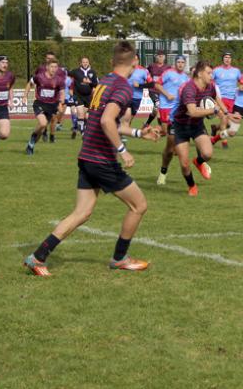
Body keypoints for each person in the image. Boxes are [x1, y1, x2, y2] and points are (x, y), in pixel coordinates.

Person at [23, 41, 163, 277]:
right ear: (135, 62)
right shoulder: (123, 87)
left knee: (82, 212)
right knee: (139, 205)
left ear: (112, 62)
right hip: (102, 159)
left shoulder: (104, 82)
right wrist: (123, 150)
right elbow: (107, 122)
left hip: (87, 155)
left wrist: (139, 133)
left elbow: (107, 120)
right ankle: (120, 258)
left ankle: (37, 257)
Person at [168, 60, 230, 196]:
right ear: (200, 74)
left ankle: (198, 161)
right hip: (180, 126)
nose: (211, 76)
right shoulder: (188, 88)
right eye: (209, 73)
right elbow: (192, 111)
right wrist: (213, 111)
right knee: (184, 163)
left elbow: (215, 99)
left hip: (196, 125)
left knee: (207, 154)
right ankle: (192, 186)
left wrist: (225, 114)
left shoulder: (210, 86)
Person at [24, 58, 66, 155]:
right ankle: (32, 140)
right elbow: (29, 84)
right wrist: (25, 96)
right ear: (47, 67)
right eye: (51, 67)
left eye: (55, 67)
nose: (53, 69)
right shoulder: (39, 77)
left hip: (51, 107)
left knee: (41, 129)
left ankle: (31, 145)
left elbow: (62, 93)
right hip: (39, 103)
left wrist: (61, 103)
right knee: (42, 124)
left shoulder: (59, 80)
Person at [209, 52, 241, 149]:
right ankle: (224, 142)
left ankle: (215, 128)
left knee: (231, 126)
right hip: (220, 99)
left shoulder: (236, 71)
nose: (227, 59)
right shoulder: (216, 70)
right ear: (222, 59)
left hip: (233, 100)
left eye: (229, 57)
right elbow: (210, 82)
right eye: (225, 57)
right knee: (223, 119)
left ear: (231, 59)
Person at [155, 55, 190, 137]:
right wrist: (167, 95)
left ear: (185, 64)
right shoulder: (168, 73)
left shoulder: (186, 77)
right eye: (178, 62)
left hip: (177, 106)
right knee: (165, 132)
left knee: (174, 132)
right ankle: (155, 131)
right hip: (166, 105)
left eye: (182, 62)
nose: (180, 64)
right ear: (175, 63)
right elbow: (157, 85)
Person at [69, 56, 98, 136]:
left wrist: (90, 82)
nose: (85, 63)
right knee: (80, 113)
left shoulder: (92, 72)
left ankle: (78, 127)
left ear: (89, 63)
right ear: (80, 63)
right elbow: (68, 73)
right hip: (78, 95)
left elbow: (96, 84)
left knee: (86, 116)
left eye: (86, 62)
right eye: (83, 62)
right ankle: (82, 132)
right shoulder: (76, 71)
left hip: (88, 96)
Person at [143, 52, 170, 129]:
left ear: (164, 58)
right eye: (159, 56)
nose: (160, 58)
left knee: (155, 110)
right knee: (158, 105)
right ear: (156, 57)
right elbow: (146, 74)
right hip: (153, 90)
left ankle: (147, 123)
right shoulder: (151, 66)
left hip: (163, 91)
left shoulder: (168, 67)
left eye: (162, 56)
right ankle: (161, 126)